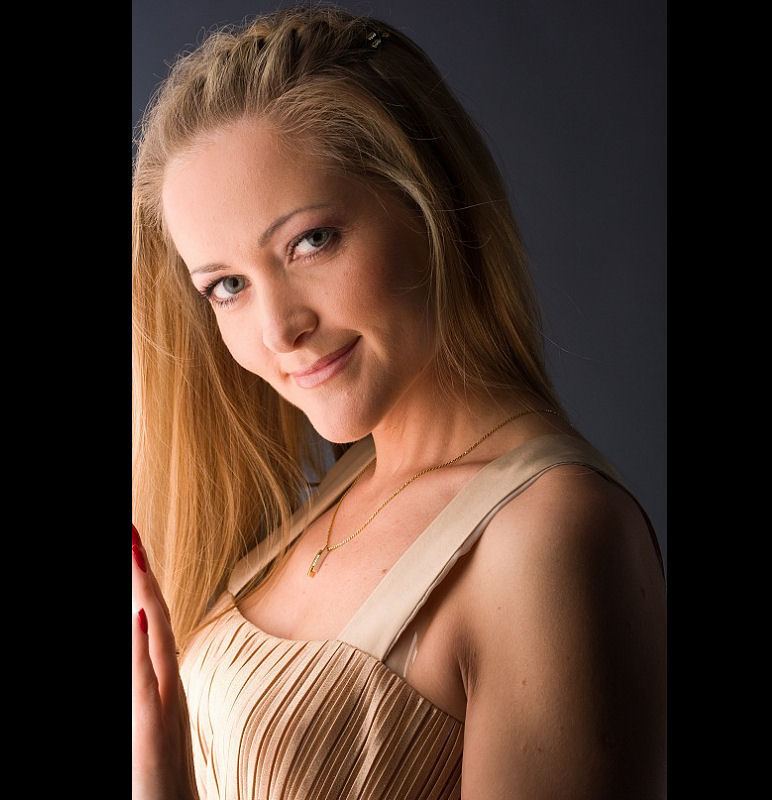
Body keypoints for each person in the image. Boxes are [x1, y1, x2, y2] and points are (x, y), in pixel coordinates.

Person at [131, 5, 666, 799]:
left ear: (426, 199)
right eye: (228, 286)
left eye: (311, 241)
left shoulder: (549, 535)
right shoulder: (350, 486)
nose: (279, 329)